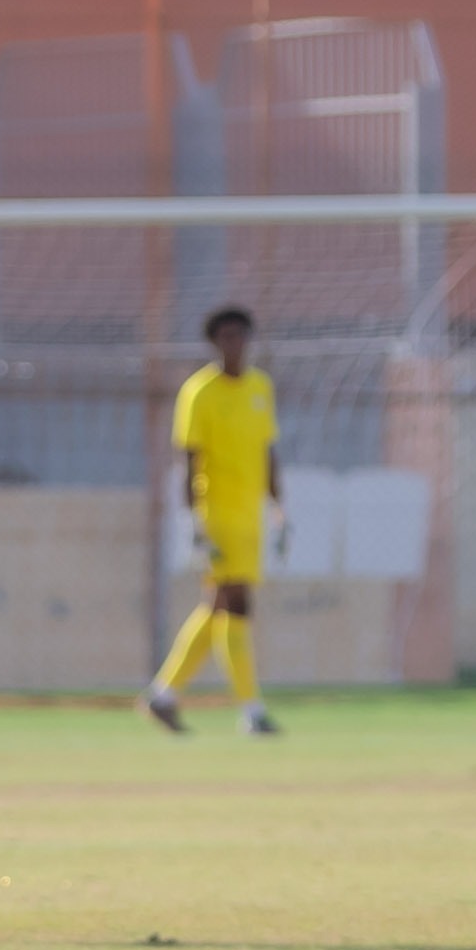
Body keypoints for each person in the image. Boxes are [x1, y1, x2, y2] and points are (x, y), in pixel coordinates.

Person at [144, 304, 283, 737]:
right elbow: (190, 457)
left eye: (240, 336)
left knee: (220, 606)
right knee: (236, 601)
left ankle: (164, 694)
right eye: (226, 337)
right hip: (217, 511)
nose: (234, 345)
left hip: (250, 513)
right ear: (214, 342)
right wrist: (192, 521)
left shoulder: (260, 387)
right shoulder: (198, 391)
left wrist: (280, 504)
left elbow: (267, 449)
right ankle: (251, 709)